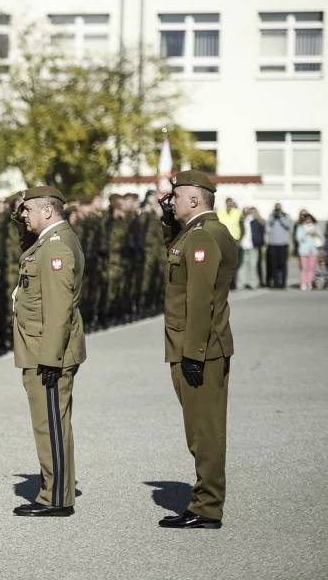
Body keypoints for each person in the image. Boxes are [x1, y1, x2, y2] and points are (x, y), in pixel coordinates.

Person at [158, 170, 236, 529]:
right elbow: (180, 261)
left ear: (193, 199)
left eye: (176, 197)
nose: (171, 202)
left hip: (199, 348)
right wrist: (168, 224)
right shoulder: (200, 232)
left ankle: (207, 506)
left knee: (204, 430)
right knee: (202, 428)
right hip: (198, 345)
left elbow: (200, 299)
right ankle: (206, 501)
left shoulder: (203, 236)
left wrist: (193, 353)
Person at [12, 186, 86, 518]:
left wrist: (51, 359)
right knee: (49, 424)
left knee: (51, 425)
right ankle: (56, 489)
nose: (22, 215)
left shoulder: (57, 248)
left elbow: (58, 309)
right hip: (41, 349)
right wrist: (19, 221)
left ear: (46, 211)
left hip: (47, 352)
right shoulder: (47, 242)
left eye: (27, 210)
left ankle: (56, 497)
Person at [237, 207, 264, 290]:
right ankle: (241, 283)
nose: (245, 214)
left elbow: (259, 233)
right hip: (244, 246)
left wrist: (257, 242)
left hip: (253, 246)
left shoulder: (254, 221)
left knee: (253, 265)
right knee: (242, 265)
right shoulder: (241, 221)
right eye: (244, 212)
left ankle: (253, 283)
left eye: (247, 213)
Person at [265, 203, 292, 289]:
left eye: (279, 209)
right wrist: (273, 217)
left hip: (283, 243)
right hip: (273, 243)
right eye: (276, 209)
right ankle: (276, 282)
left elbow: (288, 226)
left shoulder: (286, 216)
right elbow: (267, 227)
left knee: (282, 264)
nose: (277, 211)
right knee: (274, 264)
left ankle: (283, 282)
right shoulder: (271, 216)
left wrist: (280, 218)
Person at [295, 213, 322, 291]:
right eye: (306, 219)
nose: (308, 220)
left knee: (311, 268)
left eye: (309, 218)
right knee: (304, 268)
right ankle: (303, 283)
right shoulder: (301, 227)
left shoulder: (315, 227)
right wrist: (306, 234)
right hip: (303, 250)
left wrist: (315, 234)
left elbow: (321, 237)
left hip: (313, 250)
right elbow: (298, 238)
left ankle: (309, 282)